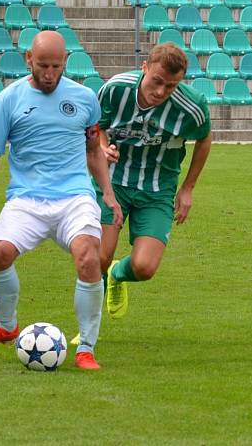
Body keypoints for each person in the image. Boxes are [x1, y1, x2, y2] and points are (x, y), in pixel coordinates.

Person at [0, 30, 123, 370]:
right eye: (43, 66)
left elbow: (93, 149)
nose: (50, 74)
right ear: (28, 61)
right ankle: (6, 326)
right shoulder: (10, 99)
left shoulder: (84, 98)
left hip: (74, 196)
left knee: (88, 257)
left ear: (66, 62)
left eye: (56, 66)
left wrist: (107, 191)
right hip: (27, 198)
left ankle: (86, 348)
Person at [74, 43, 212, 335]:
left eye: (171, 86)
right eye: (157, 81)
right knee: (98, 257)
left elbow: (204, 139)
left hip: (157, 190)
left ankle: (117, 275)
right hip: (112, 184)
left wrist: (187, 188)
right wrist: (102, 147)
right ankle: (88, 332)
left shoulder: (192, 107)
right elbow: (96, 126)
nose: (161, 91)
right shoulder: (116, 89)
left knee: (144, 268)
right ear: (145, 67)